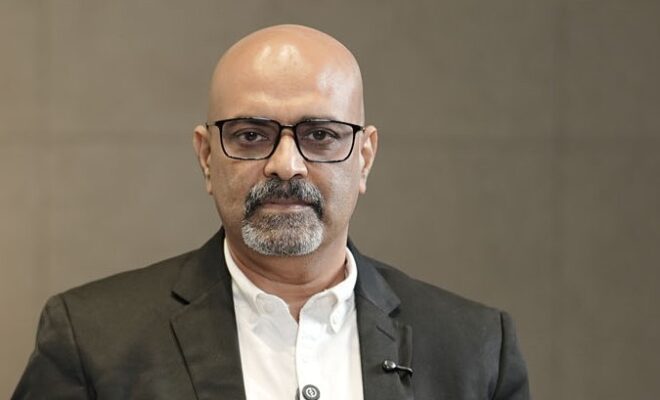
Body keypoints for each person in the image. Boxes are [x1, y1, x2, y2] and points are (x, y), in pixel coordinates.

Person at [13, 25, 530, 399]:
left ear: (364, 158)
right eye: (250, 135)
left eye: (320, 135)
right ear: (207, 157)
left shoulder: (475, 350)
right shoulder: (93, 341)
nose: (286, 164)